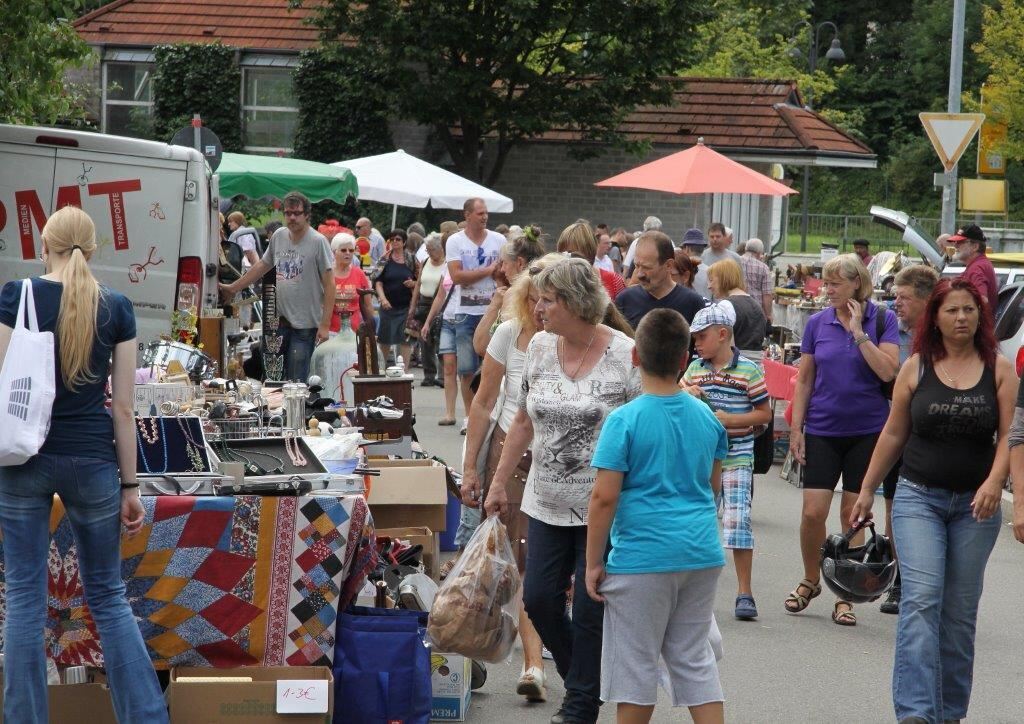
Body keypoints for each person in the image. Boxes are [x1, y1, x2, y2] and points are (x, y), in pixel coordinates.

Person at [0, 206, 168, 723]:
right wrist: (131, 485)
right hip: (95, 461)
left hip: (24, 458)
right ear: (93, 250)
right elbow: (122, 407)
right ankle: (144, 716)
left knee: (26, 595)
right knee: (109, 597)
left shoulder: (16, 296)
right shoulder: (117, 307)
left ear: (42, 245)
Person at [851, 278, 1016, 724]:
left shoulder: (999, 369)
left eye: (969, 310)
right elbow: (893, 432)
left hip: (975, 509)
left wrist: (993, 484)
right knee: (922, 600)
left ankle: (949, 714)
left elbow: (1009, 436)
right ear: (935, 318)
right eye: (952, 310)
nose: (961, 317)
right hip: (918, 498)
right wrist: (867, 488)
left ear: (980, 317)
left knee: (958, 614)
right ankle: (917, 714)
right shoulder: (917, 367)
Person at [486, 257, 642, 724]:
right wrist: (498, 482)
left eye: (547, 300)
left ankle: (580, 706)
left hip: (602, 505)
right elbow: (521, 419)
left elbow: (644, 424)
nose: (538, 309)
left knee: (592, 606)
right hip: (544, 500)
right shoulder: (538, 348)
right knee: (538, 600)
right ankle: (588, 679)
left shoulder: (624, 353)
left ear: (574, 303)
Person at [586, 309, 727, 724]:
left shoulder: (623, 421)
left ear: (635, 357)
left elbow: (604, 499)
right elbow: (712, 486)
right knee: (695, 660)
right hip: (700, 551)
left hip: (642, 557)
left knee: (635, 666)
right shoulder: (708, 418)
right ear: (685, 358)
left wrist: (594, 562)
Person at [461, 254, 560, 703]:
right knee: (519, 563)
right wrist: (469, 467)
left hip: (560, 461)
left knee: (545, 564)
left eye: (550, 300)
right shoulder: (508, 334)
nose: (541, 309)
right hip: (510, 453)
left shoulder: (576, 340)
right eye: (536, 298)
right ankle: (533, 665)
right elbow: (482, 404)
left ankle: (544, 655)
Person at [785, 254, 899, 627]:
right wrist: (796, 429)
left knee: (852, 516)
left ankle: (844, 593)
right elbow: (804, 380)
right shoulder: (817, 323)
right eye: (827, 282)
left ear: (857, 285)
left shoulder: (883, 320)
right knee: (812, 512)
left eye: (835, 283)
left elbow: (888, 370)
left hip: (867, 431)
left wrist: (858, 333)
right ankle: (811, 579)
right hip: (822, 427)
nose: (828, 289)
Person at [681, 302, 771, 621]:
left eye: (701, 337)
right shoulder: (694, 370)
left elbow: (764, 414)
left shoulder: (748, 370)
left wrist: (728, 420)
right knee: (698, 520)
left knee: (737, 519)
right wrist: (686, 393)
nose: (696, 343)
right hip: (702, 460)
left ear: (722, 335)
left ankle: (744, 591)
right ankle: (692, 592)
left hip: (737, 456)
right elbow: (680, 400)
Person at [874, 263, 940, 616]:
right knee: (894, 507)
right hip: (897, 430)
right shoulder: (891, 330)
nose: (895, 303)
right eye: (894, 296)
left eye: (903, 297)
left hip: (933, 435)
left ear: (926, 301)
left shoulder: (940, 339)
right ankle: (899, 583)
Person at [220, 191, 334, 382]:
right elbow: (262, 266)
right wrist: (234, 287)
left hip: (305, 323)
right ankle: (278, 412)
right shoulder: (279, 236)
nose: (292, 217)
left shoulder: (318, 241)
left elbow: (330, 284)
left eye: (297, 213)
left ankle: (296, 412)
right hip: (278, 321)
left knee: (297, 380)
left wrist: (325, 324)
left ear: (307, 215)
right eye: (288, 212)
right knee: (273, 378)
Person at [446, 197, 507, 433]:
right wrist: (487, 271)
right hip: (465, 310)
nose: (485, 217)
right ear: (467, 215)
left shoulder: (498, 240)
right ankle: (470, 416)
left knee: (494, 366)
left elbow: (502, 272)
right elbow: (457, 276)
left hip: (492, 309)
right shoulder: (455, 241)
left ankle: (491, 414)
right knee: (466, 368)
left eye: (486, 213)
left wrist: (493, 274)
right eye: (480, 213)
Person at [472, 230, 546, 357]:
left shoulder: (513, 295)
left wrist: (494, 306)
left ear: (520, 263)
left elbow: (482, 346)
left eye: (505, 263)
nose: (502, 269)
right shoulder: (548, 291)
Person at [615, 230, 706, 330]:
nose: (640, 274)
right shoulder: (625, 300)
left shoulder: (693, 303)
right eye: (636, 266)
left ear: (668, 265)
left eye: (647, 267)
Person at [369, 228, 419, 367]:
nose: (395, 242)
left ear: (404, 242)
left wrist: (413, 283)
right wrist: (383, 299)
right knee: (384, 339)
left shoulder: (412, 259)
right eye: (392, 239)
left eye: (398, 239)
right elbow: (377, 280)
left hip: (406, 306)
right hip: (387, 306)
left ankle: (404, 372)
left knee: (405, 340)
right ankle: (381, 369)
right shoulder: (384, 259)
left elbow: (420, 280)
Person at [707, 259, 767, 362]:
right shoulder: (756, 305)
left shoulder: (725, 306)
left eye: (711, 280)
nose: (709, 286)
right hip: (756, 368)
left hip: (735, 369)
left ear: (723, 278)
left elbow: (724, 347)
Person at [410, 234, 448, 387]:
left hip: (439, 304)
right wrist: (413, 306)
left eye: (431, 249)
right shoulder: (425, 261)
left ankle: (443, 376)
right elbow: (418, 284)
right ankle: (429, 374)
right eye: (427, 249)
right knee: (424, 341)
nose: (428, 252)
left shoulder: (446, 264)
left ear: (440, 249)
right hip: (423, 304)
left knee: (439, 340)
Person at [557, 221, 626, 302]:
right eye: (562, 253)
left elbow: (622, 313)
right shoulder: (554, 283)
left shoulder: (613, 281)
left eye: (571, 253)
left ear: (589, 252)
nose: (566, 258)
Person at [327, 232, 373, 335]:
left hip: (354, 333)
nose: (348, 253)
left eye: (351, 250)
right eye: (343, 250)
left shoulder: (359, 274)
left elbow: (368, 305)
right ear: (334, 252)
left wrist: (370, 329)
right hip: (330, 331)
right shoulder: (326, 273)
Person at [950, 224, 999, 315]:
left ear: (975, 247)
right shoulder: (980, 264)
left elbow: (983, 300)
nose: (955, 245)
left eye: (960, 242)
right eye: (955, 242)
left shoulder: (977, 268)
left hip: (976, 328)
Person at [739, 238, 773, 323]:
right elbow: (767, 295)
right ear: (759, 253)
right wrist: (768, 315)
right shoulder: (763, 268)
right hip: (756, 311)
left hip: (737, 307)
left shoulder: (735, 262)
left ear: (746, 249)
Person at [680, 228, 712, 299]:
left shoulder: (679, 271)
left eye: (683, 248)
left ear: (687, 248)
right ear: (703, 249)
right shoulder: (711, 271)